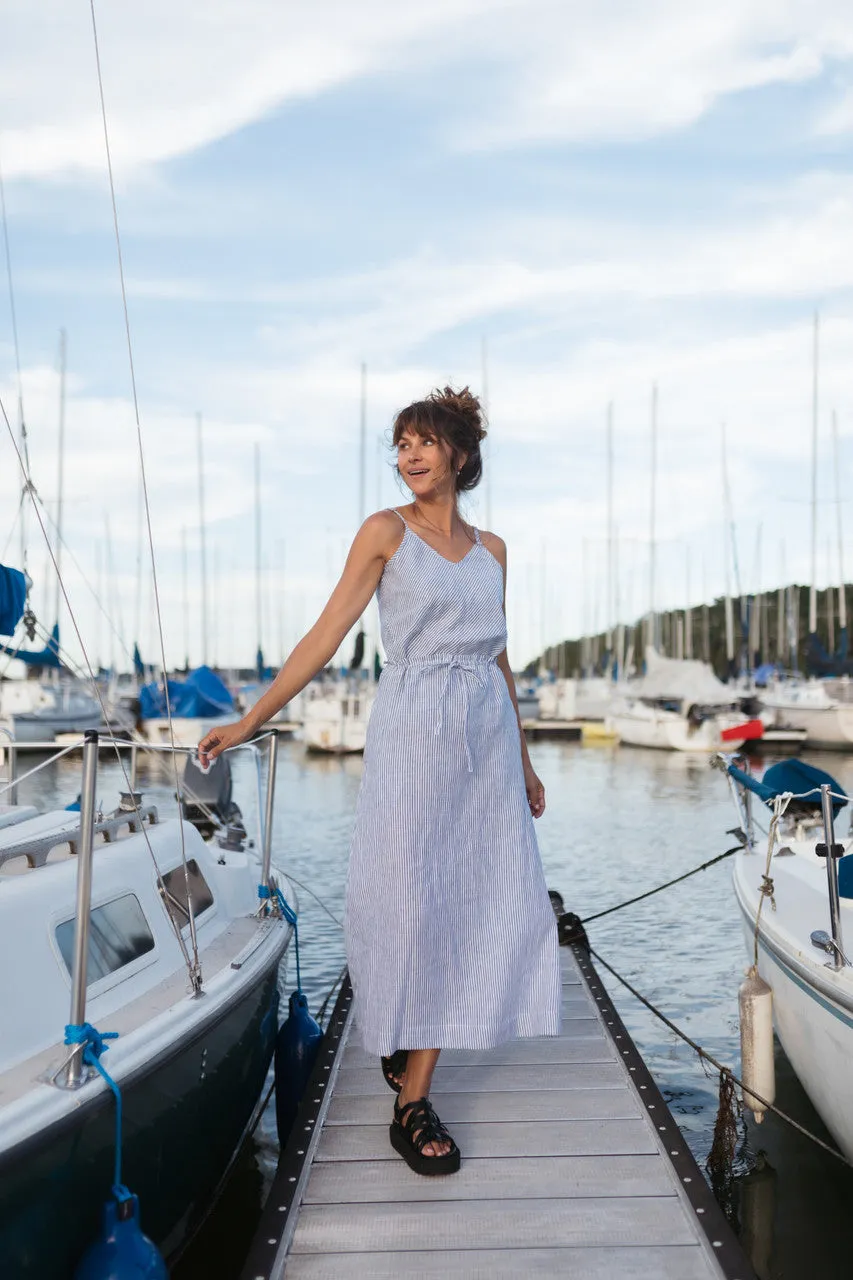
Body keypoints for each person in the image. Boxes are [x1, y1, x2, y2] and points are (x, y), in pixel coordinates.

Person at [198, 386, 561, 1176]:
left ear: (459, 454)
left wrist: (525, 761)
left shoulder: (494, 550)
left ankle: (412, 1093)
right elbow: (326, 636)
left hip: (486, 746)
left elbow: (498, 657)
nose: (409, 456)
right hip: (413, 738)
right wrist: (250, 718)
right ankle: (408, 1050)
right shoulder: (383, 533)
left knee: (483, 900)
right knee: (408, 901)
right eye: (400, 445)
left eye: (424, 442)